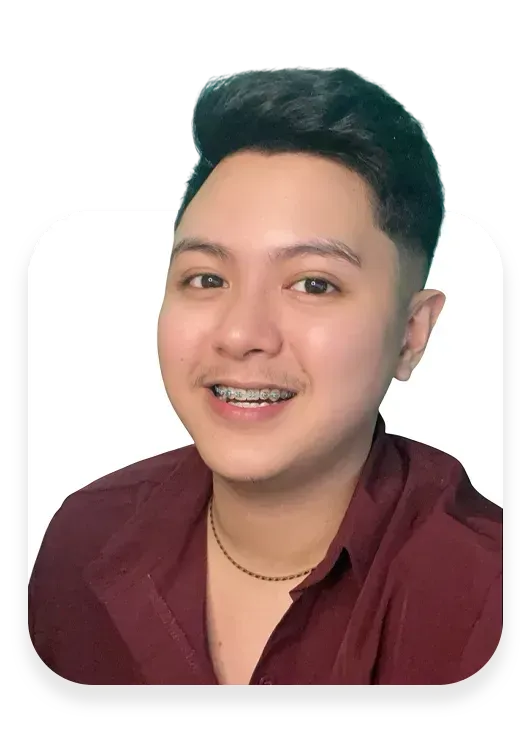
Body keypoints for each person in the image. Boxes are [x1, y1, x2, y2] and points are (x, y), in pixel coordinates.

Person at [28, 65, 502, 685]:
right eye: (207, 278)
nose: (240, 334)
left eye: (313, 284)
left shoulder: (494, 599)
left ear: (411, 334)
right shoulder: (84, 538)